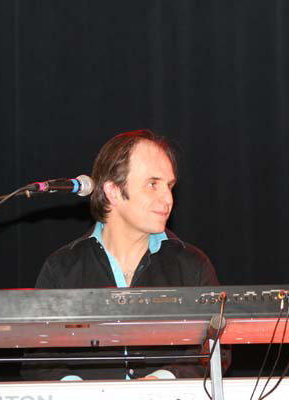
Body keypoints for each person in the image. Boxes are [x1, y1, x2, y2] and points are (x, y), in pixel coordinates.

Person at [21, 130, 226, 381]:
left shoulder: (192, 264)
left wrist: (162, 381)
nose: (168, 198)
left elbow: (218, 348)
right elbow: (37, 360)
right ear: (114, 191)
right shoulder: (62, 267)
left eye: (170, 186)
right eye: (153, 184)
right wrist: (80, 391)